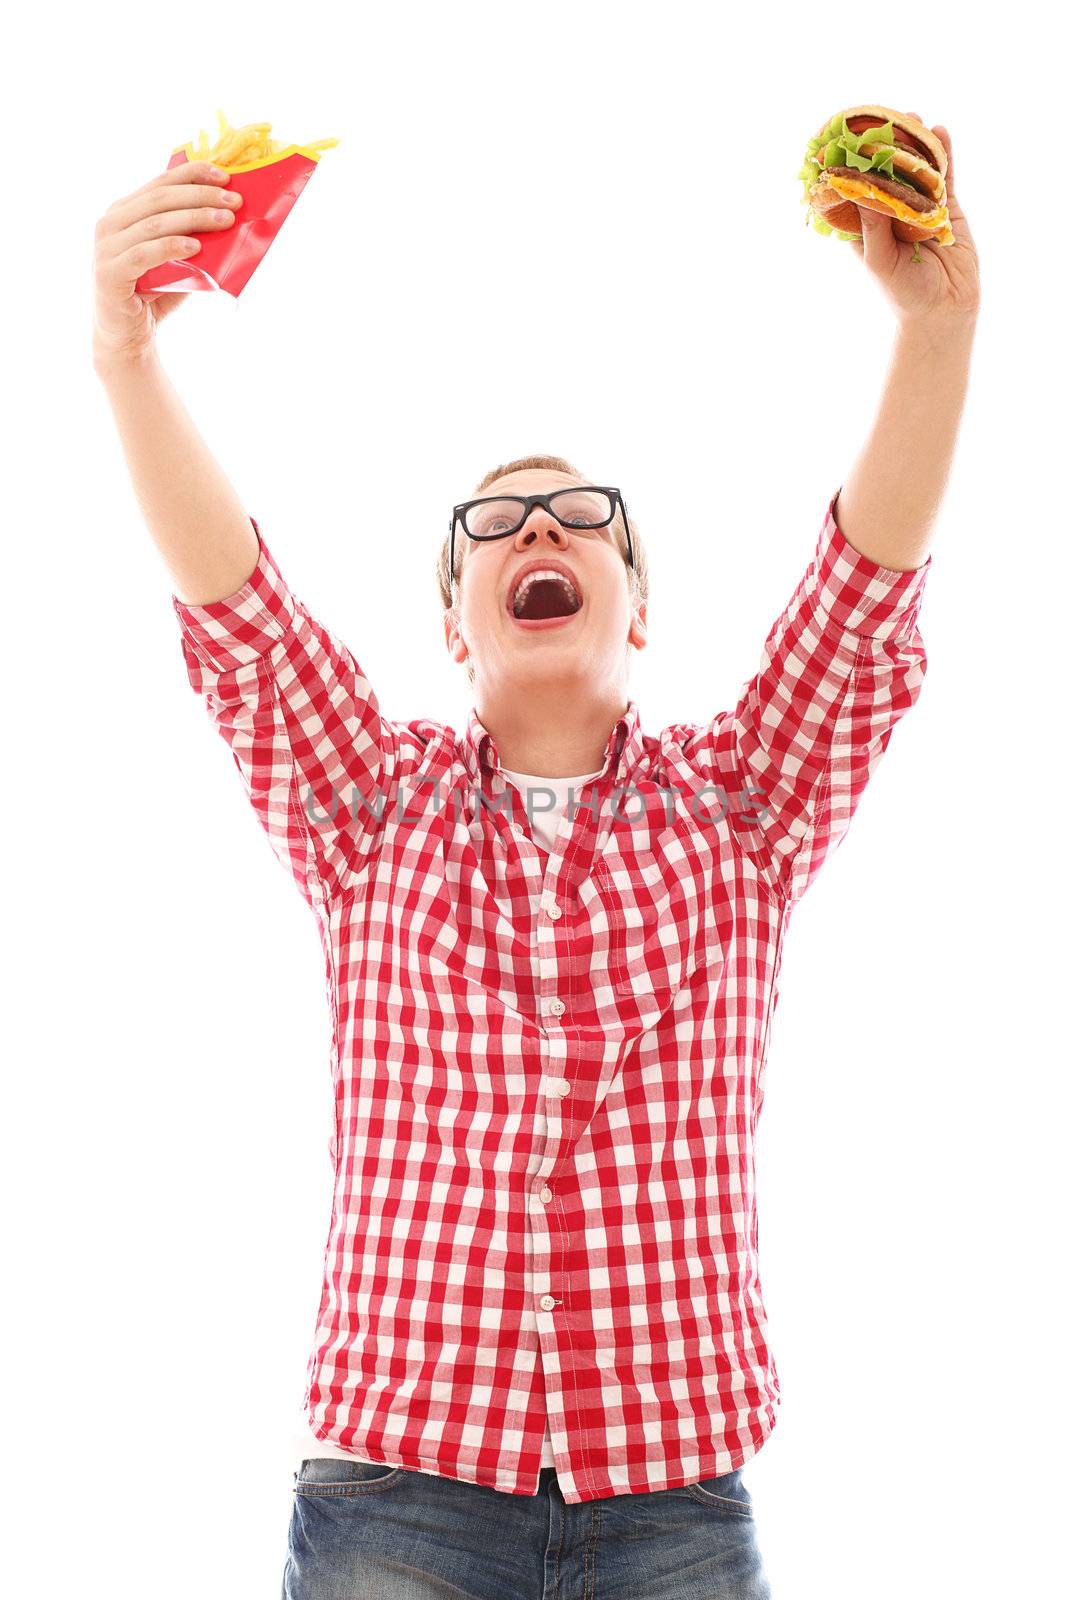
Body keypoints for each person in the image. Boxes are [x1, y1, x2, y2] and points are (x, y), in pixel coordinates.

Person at [92, 118, 979, 1599]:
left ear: (638, 614)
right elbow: (237, 612)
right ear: (456, 632)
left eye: (580, 521)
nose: (536, 532)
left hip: (674, 1505)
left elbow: (861, 597)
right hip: (398, 1493)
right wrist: (126, 355)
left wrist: (939, 326)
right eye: (493, 528)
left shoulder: (743, 809)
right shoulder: (367, 809)